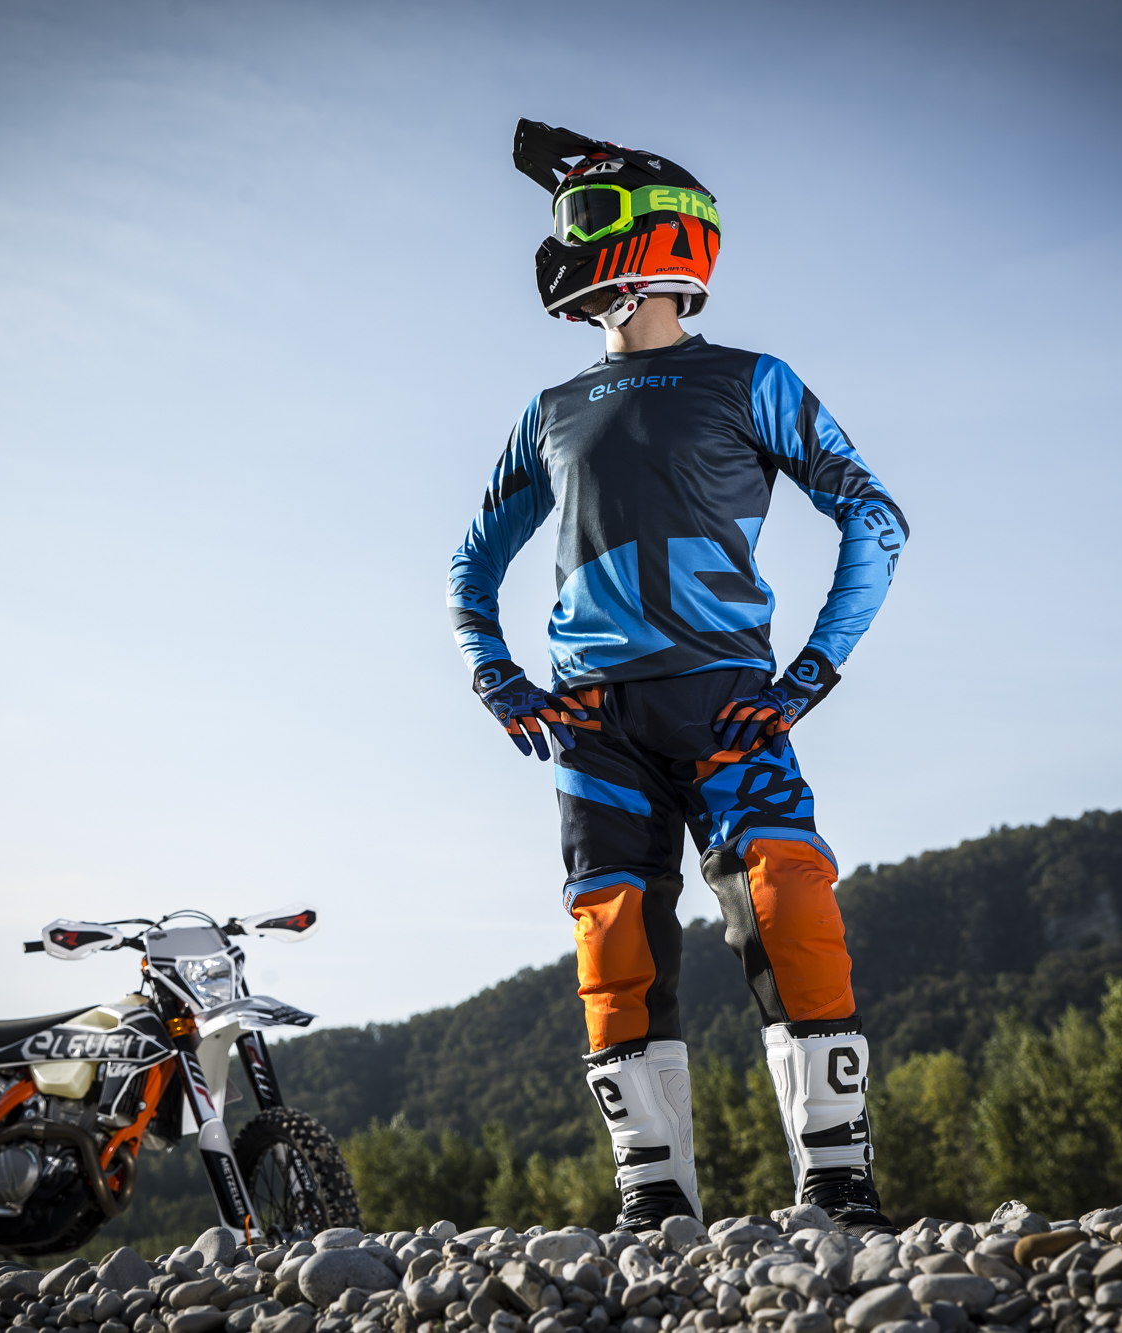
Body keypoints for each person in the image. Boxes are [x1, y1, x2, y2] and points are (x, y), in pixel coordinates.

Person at [446, 119, 909, 1235]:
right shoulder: (550, 410)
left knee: (789, 905)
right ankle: (653, 1196)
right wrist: (496, 677)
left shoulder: (751, 381)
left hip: (726, 702)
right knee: (613, 940)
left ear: (665, 235)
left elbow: (875, 517)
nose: (563, 241)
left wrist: (808, 675)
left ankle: (837, 1184)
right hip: (593, 724)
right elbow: (471, 562)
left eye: (584, 215)